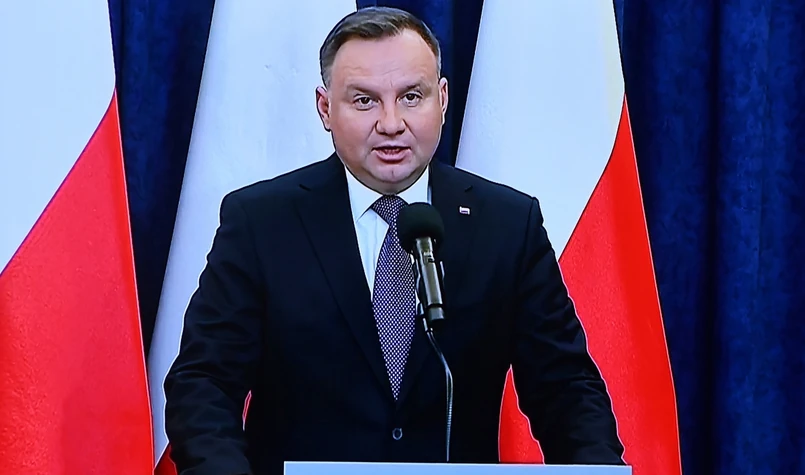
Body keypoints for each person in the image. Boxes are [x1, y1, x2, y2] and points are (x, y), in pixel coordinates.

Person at [164, 6, 625, 475]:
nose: (390, 123)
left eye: (411, 97)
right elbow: (203, 385)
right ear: (325, 108)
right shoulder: (262, 222)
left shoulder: (507, 225)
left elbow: (566, 389)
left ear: (442, 99)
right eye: (365, 100)